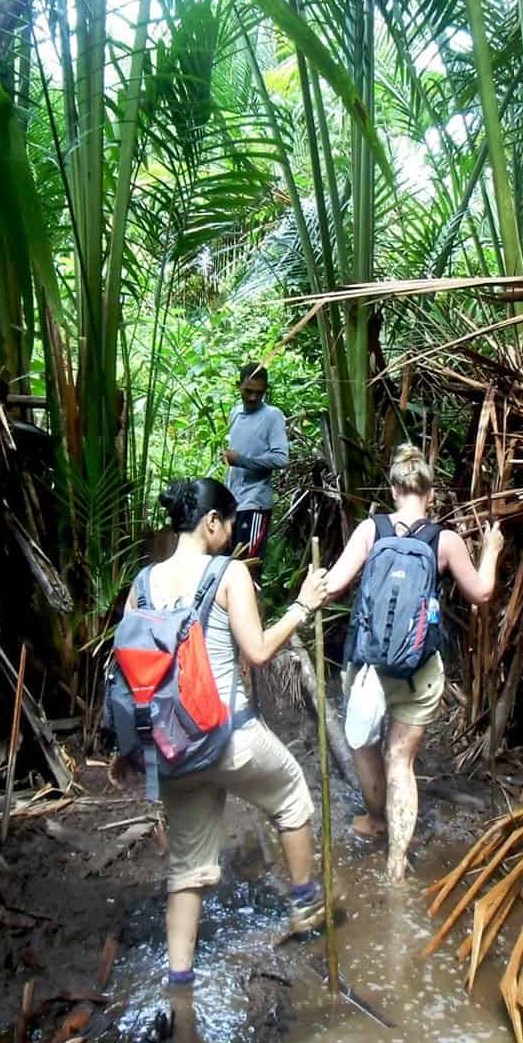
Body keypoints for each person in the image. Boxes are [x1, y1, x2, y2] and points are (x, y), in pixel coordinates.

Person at [118, 477, 330, 985]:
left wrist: (130, 750)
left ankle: (180, 984)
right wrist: (302, 606)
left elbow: (130, 671)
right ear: (212, 522)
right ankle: (305, 906)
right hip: (230, 737)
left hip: (172, 748)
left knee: (186, 870)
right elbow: (257, 652)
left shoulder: (142, 583)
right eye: (230, 524)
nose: (233, 534)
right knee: (292, 796)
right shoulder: (229, 572)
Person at [325, 444, 504, 884]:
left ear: (393, 489)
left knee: (365, 746)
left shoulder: (370, 530)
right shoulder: (445, 541)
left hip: (367, 666)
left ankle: (375, 820)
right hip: (419, 670)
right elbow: (481, 593)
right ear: (431, 494)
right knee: (400, 760)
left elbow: (332, 586)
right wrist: (492, 550)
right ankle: (396, 863)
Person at [223, 363, 288, 574]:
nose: (253, 397)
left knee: (248, 569)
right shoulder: (235, 413)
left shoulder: (272, 416)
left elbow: (281, 459)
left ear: (266, 390)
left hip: (255, 505)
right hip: (232, 505)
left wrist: (242, 460)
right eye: (248, 391)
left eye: (259, 393)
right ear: (238, 386)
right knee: (228, 567)